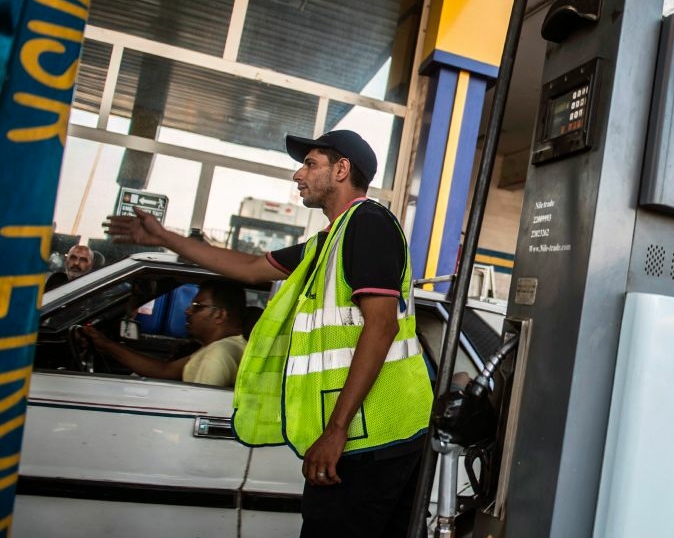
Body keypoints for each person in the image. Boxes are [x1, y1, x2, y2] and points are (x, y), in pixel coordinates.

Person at [104, 129, 432, 538]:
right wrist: (164, 237)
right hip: (376, 433)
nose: (298, 174)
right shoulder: (329, 240)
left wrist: (336, 431)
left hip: (371, 437)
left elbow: (381, 327)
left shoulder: (368, 224)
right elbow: (250, 268)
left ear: (342, 170)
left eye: (310, 164)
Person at [77, 279, 248, 387]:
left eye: (197, 307)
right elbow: (164, 370)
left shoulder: (218, 354)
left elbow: (197, 411)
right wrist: (106, 345)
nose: (188, 311)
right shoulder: (224, 347)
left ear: (220, 315)